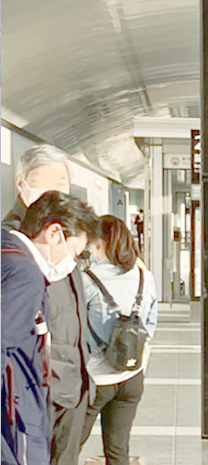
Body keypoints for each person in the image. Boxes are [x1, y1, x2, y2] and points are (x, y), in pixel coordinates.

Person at [2, 145, 99, 465]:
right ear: (22, 185)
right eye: (51, 188)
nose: (60, 197)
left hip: (72, 388)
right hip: (38, 396)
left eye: (65, 187)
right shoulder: (21, 247)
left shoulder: (65, 230)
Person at [80, 216, 158, 465]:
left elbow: (74, 328)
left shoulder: (87, 278)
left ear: (101, 242)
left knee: (67, 447)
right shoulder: (144, 276)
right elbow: (151, 325)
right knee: (118, 452)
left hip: (96, 379)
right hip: (132, 376)